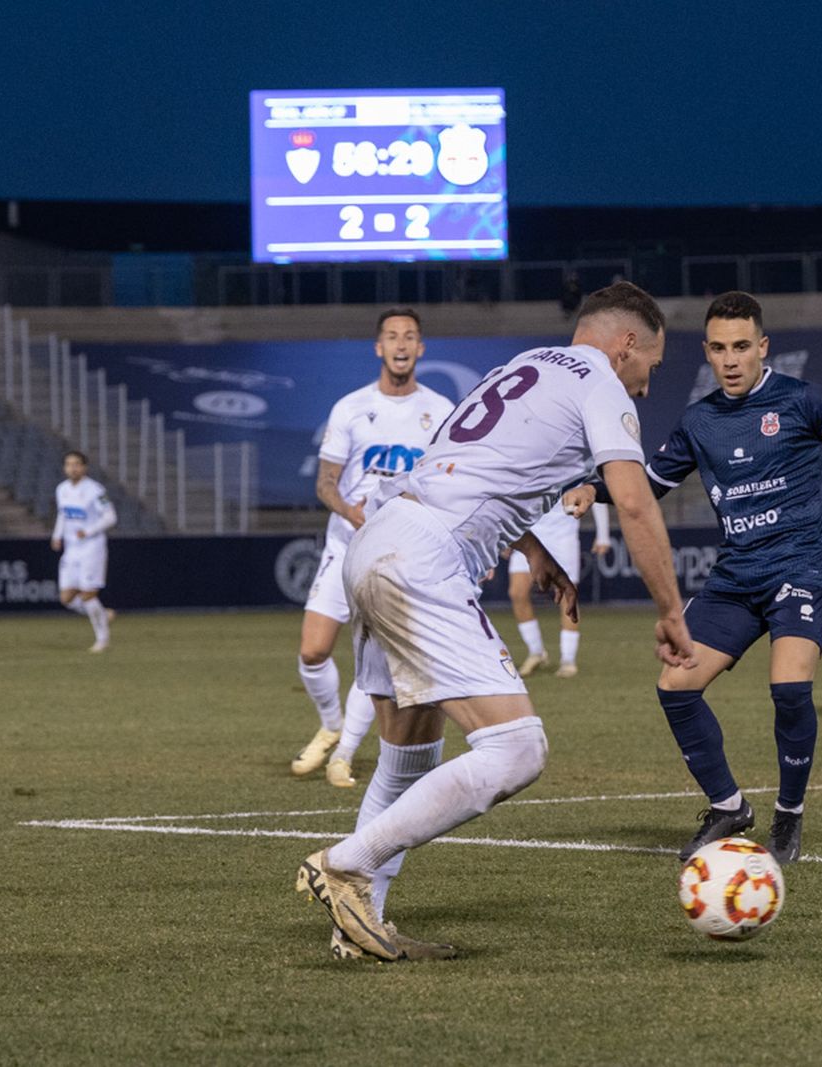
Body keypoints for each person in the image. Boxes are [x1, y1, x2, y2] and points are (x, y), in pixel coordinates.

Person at [295, 281, 694, 961]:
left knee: (409, 754)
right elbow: (633, 503)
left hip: (381, 538)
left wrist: (532, 548)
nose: (647, 387)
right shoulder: (600, 379)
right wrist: (672, 610)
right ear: (626, 343)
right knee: (517, 748)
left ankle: (358, 926)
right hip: (424, 559)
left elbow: (474, 467)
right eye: (650, 367)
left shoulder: (524, 364)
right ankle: (344, 862)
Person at [567, 291, 822, 865]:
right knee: (675, 688)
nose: (730, 359)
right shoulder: (699, 421)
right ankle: (729, 807)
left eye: (742, 347)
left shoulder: (807, 401)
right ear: (707, 351)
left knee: (790, 688)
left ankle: (789, 817)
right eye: (719, 348)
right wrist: (591, 489)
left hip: (802, 566)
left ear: (762, 347)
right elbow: (650, 483)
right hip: (735, 578)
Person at [293, 309, 454, 790]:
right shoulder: (350, 408)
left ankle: (342, 755)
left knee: (378, 657)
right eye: (391, 336)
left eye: (409, 336)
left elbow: (449, 481)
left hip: (400, 554)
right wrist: (349, 510)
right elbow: (325, 483)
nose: (401, 344)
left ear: (421, 348)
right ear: (378, 347)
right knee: (313, 650)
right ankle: (332, 723)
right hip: (346, 543)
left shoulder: (441, 410)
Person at [507, 502, 611, 678]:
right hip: (530, 533)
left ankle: (568, 659)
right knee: (517, 592)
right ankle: (536, 652)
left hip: (563, 535)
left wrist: (603, 535)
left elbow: (595, 493)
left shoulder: (577, 472)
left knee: (567, 596)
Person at [51, 451, 116, 652]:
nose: (73, 468)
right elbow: (63, 514)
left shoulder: (95, 490)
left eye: (77, 464)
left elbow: (111, 517)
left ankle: (102, 639)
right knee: (67, 598)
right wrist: (57, 535)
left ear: (84, 467)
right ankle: (102, 615)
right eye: (69, 464)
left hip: (92, 547)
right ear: (64, 468)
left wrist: (88, 531)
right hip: (71, 549)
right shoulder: (61, 489)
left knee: (88, 594)